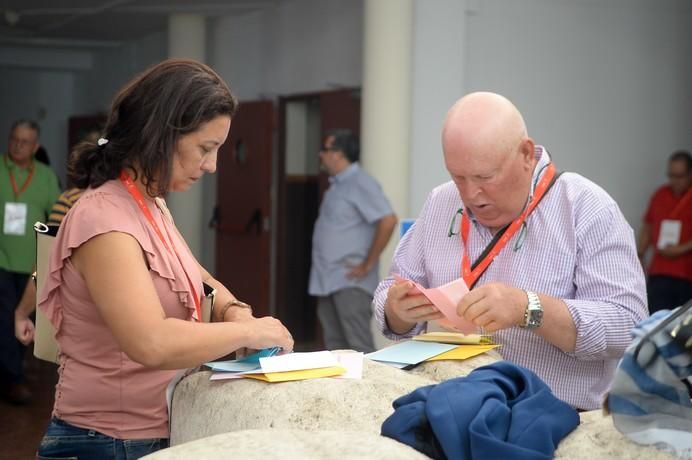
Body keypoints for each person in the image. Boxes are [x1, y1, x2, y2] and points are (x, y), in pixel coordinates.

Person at [35, 58, 294, 459]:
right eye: (205, 149)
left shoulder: (150, 204)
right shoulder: (104, 219)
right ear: (162, 134)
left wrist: (236, 312)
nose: (211, 166)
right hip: (104, 442)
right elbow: (150, 342)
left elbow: (198, 277)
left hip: (146, 435)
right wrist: (249, 334)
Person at [375, 92, 647, 411]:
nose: (470, 194)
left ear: (526, 154)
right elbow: (387, 295)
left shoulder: (585, 207)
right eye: (457, 177)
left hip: (550, 418)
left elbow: (627, 326)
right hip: (447, 404)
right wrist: (398, 311)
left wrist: (528, 308)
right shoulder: (440, 202)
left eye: (484, 177)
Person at [309, 129, 397, 353]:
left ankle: (374, 390)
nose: (321, 155)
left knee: (359, 349)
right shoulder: (338, 184)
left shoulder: (360, 182)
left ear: (338, 154)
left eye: (325, 150)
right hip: (327, 280)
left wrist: (367, 264)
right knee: (335, 349)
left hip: (350, 283)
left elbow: (388, 220)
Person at [0, 120, 61, 404]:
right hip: (2, 259)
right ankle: (14, 380)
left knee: (22, 320)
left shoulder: (46, 176)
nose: (17, 145)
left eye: (25, 141)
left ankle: (12, 374)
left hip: (31, 265)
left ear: (35, 147)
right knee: (4, 318)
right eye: (14, 139)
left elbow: (56, 217)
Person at [637, 150, 692, 313]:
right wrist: (640, 254)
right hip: (659, 272)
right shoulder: (660, 194)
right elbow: (648, 225)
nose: (674, 181)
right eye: (671, 175)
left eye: (679, 176)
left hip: (687, 274)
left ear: (690, 173)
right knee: (656, 321)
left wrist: (680, 249)